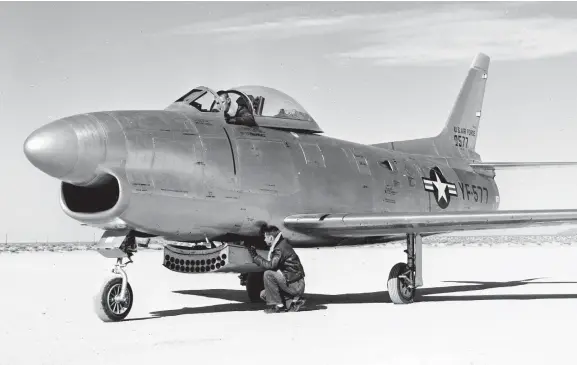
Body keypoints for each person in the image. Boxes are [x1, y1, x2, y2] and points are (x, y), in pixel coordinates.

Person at [248, 225, 306, 313]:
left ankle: (279, 306)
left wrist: (256, 257)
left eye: (265, 237)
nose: (264, 240)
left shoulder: (279, 248)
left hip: (295, 284)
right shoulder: (282, 244)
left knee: (268, 274)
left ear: (271, 238)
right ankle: (293, 302)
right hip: (293, 282)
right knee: (264, 295)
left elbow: (271, 265)